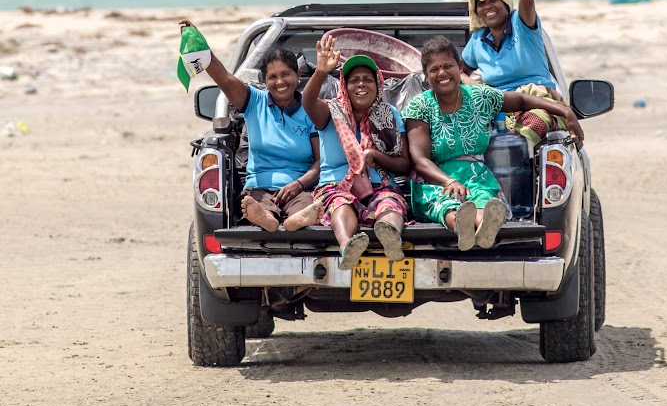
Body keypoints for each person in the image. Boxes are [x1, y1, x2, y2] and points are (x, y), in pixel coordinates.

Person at [403, 36, 583, 250]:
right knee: (449, 206)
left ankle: (482, 226)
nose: (442, 73)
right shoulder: (420, 106)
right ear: (426, 75)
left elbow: (522, 100)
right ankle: (464, 227)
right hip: (434, 181)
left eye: (447, 66)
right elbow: (420, 160)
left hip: (476, 177)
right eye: (434, 69)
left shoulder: (480, 97)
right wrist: (449, 182)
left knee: (486, 204)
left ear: (460, 67)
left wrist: (564, 111)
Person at [178, 20, 321, 232]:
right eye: (273, 77)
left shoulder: (310, 108)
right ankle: (267, 219)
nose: (280, 81)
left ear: (298, 76)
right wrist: (201, 47)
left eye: (285, 74)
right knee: (255, 204)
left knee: (306, 204)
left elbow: (320, 162)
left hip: (300, 189)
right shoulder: (255, 102)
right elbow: (225, 79)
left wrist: (298, 185)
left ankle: (296, 219)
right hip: (259, 188)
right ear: (264, 80)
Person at [461, 0, 576, 146]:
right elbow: (457, 70)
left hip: (540, 103)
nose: (488, 6)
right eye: (481, 3)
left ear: (505, 3)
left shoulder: (522, 24)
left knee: (523, 136)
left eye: (494, 0)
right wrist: (471, 84)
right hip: (498, 108)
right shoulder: (477, 40)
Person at [301, 35, 412, 270]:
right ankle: (347, 247)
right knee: (341, 204)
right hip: (336, 187)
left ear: (378, 84)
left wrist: (377, 156)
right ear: (345, 85)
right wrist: (320, 72)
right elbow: (308, 102)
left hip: (380, 188)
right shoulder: (330, 111)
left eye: (367, 80)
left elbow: (404, 164)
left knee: (390, 204)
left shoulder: (389, 114)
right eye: (354, 80)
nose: (361, 84)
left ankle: (391, 239)